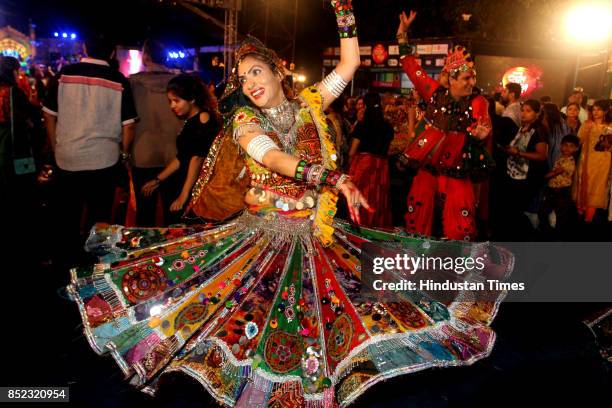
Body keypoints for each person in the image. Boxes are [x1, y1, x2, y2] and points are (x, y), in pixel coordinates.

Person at [67, 3, 512, 407]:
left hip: (314, 234)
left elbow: (351, 61)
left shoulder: (311, 104)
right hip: (263, 236)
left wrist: (343, 10)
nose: (250, 84)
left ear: (279, 72)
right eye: (243, 80)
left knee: (322, 319)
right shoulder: (244, 119)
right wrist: (329, 176)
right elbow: (269, 154)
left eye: (257, 73)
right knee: (247, 321)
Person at [396, 10, 495, 241]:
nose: (472, 82)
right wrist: (402, 35)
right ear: (451, 79)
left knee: (460, 227)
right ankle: (414, 264)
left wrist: (480, 134)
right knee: (417, 219)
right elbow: (411, 66)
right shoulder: (433, 92)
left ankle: (458, 270)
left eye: (473, 77)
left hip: (458, 174)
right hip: (427, 171)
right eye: (466, 78)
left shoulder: (479, 101)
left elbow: (483, 124)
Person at [42, 35, 138, 266]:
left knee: (67, 215)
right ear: (113, 53)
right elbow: (129, 125)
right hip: (104, 159)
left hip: (67, 157)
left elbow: (48, 114)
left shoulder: (63, 75)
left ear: (84, 48)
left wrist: (56, 147)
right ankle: (97, 264)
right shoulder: (118, 80)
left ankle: (65, 262)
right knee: (100, 216)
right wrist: (124, 154)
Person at [140, 74, 221, 225]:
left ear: (191, 99)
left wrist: (184, 196)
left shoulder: (204, 118)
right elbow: (182, 157)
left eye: (176, 101)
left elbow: (197, 159)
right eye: (170, 101)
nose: (172, 106)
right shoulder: (190, 120)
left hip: (195, 187)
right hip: (184, 183)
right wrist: (158, 179)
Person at [129, 39, 182, 227]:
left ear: (145, 56)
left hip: (143, 155)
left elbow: (127, 123)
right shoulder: (179, 83)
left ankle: (145, 253)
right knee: (173, 212)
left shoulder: (133, 84)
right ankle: (172, 253)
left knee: (145, 213)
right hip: (174, 156)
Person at [500, 99, 549, 239]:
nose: (523, 114)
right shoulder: (524, 126)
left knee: (517, 210)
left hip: (526, 177)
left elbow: (541, 156)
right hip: (514, 173)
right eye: (523, 110)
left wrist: (518, 153)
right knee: (511, 209)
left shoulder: (539, 130)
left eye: (528, 111)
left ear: (537, 113)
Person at [347, 92, 393, 227]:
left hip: (364, 165)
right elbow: (387, 150)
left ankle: (358, 227)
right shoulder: (388, 127)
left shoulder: (362, 125)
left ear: (365, 106)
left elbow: (352, 151)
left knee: (361, 196)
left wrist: (349, 167)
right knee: (378, 199)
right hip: (381, 167)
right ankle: (376, 228)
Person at [572, 99, 611, 223]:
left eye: (599, 109)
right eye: (593, 109)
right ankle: (580, 211)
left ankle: (589, 217)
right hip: (587, 159)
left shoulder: (610, 126)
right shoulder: (587, 124)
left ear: (605, 111)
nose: (595, 112)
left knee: (597, 186)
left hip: (604, 161)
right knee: (584, 183)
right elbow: (578, 141)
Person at [538, 134, 579, 239]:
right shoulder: (561, 157)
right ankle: (549, 232)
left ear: (576, 148)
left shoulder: (568, 161)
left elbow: (555, 172)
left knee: (560, 214)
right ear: (560, 146)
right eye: (565, 145)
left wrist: (543, 176)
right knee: (546, 211)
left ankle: (557, 236)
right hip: (553, 189)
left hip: (561, 191)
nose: (567, 148)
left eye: (571, 146)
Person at [541, 103, 570, 168]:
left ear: (548, 113)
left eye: (543, 112)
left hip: (554, 157)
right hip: (559, 156)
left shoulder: (561, 126)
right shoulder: (563, 124)